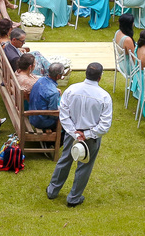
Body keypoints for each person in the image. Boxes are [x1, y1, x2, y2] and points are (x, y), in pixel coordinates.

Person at [46, 62, 112, 206]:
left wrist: (75, 133)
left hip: (73, 133)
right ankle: (73, 198)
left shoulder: (71, 90)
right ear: (100, 77)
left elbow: (63, 115)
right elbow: (104, 125)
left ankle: (52, 190)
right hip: (91, 137)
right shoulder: (104, 97)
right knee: (85, 166)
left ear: (86, 74)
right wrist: (86, 134)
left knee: (65, 160)